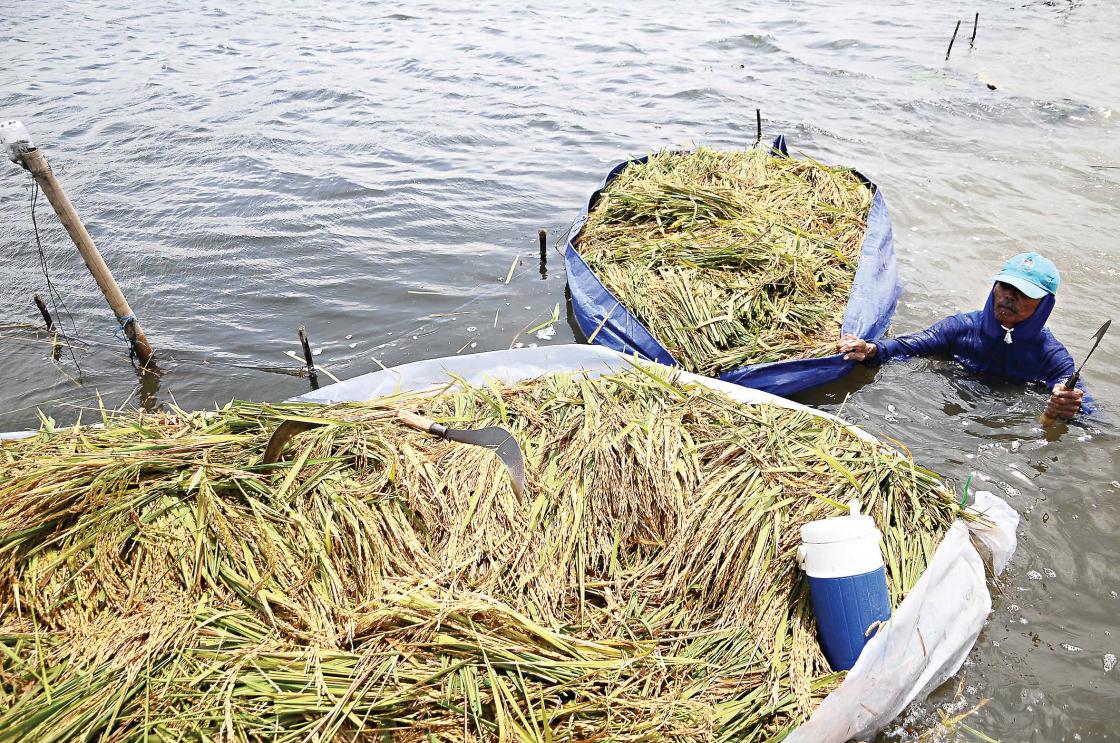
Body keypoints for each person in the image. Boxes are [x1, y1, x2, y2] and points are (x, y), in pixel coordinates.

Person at [837, 252, 1086, 420]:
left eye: (1024, 292)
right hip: (952, 407)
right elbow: (910, 345)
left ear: (1044, 305)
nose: (1010, 296)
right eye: (1005, 286)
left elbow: (1081, 402)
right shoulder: (961, 327)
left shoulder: (1052, 356)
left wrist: (1068, 406)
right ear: (994, 287)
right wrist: (870, 349)